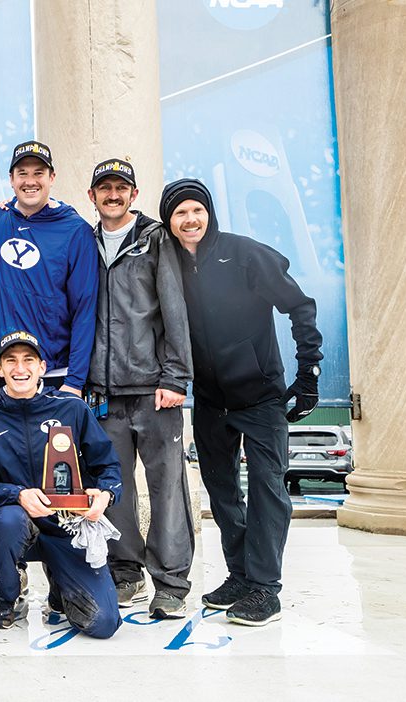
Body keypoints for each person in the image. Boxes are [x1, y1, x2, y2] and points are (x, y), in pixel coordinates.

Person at [161, 178, 322, 627]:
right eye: (179, 213)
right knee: (223, 491)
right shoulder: (170, 262)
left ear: (208, 213)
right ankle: (240, 575)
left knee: (269, 490)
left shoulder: (245, 253)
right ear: (169, 222)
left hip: (261, 396)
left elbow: (300, 305)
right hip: (211, 400)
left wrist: (308, 372)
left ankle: (265, 589)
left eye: (197, 210)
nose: (190, 220)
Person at [84, 158, 195, 619]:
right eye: (104, 187)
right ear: (92, 196)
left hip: (154, 389)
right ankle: (124, 572)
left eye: (121, 187)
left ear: (134, 193)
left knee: (167, 486)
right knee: (114, 489)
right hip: (102, 392)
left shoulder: (154, 240)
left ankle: (171, 583)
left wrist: (176, 377)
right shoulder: (83, 241)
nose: (113, 194)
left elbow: (174, 311)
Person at [0, 330, 123, 638]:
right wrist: (17, 494)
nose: (19, 368)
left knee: (103, 623)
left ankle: (61, 584)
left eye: (28, 360)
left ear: (42, 367)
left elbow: (108, 464)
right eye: (10, 360)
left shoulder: (71, 408)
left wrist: (105, 493)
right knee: (8, 517)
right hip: (16, 526)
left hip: (67, 527)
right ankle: (7, 594)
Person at [0, 140, 99, 398]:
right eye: (22, 173)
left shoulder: (76, 231)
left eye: (38, 173)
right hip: (1, 370)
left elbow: (85, 308)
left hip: (54, 374)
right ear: (11, 180)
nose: (30, 181)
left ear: (52, 177)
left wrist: (75, 381)